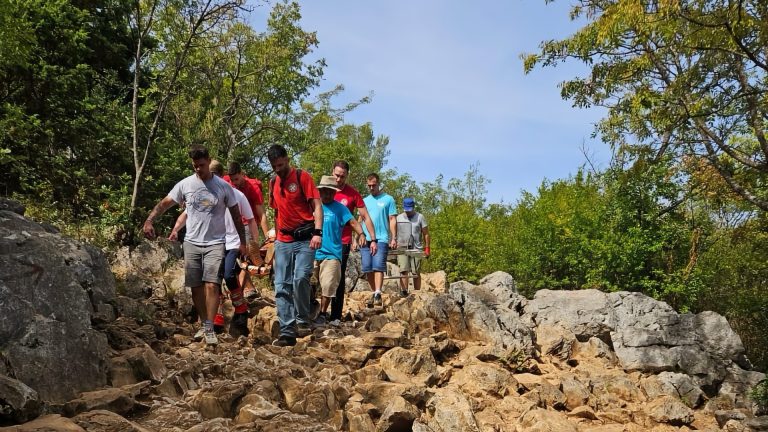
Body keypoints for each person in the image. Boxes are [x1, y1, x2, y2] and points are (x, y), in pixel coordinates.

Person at [143, 146, 246, 346]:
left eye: (201, 165)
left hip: (216, 242)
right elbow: (165, 204)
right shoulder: (185, 185)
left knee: (212, 284)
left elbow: (235, 214)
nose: (198, 169)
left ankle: (209, 327)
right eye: (195, 166)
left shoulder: (223, 187)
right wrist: (149, 221)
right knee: (196, 286)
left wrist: (242, 242)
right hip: (191, 241)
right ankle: (206, 324)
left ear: (208, 161)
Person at [169, 160, 260, 336]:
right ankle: (216, 318)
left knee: (227, 274)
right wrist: (175, 230)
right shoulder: (203, 196)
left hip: (232, 243)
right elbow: (186, 214)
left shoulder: (236, 195)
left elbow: (250, 219)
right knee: (212, 280)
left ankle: (240, 307)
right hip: (213, 243)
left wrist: (251, 244)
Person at [268, 144, 323, 347]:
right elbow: (275, 210)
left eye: (281, 165)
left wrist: (318, 232)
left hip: (305, 238)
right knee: (281, 284)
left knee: (300, 278)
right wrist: (275, 237)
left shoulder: (302, 177)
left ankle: (302, 318)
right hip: (283, 239)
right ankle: (287, 331)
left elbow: (317, 206)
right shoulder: (273, 181)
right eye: (274, 166)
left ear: (287, 159)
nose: (278, 169)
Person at [313, 175, 366, 325]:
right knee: (306, 283)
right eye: (325, 191)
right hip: (313, 252)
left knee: (329, 285)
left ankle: (323, 313)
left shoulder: (340, 208)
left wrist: (361, 234)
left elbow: (353, 222)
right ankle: (308, 311)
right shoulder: (314, 206)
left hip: (332, 253)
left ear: (334, 193)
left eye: (330, 192)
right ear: (320, 191)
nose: (327, 194)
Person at [330, 160, 377, 324]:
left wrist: (373, 238)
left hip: (342, 240)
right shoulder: (324, 190)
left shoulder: (352, 193)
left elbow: (365, 216)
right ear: (332, 172)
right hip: (323, 239)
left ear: (347, 176)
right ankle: (315, 311)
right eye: (336, 175)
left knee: (338, 277)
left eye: (342, 176)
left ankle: (335, 316)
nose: (339, 179)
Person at [223, 162, 271, 300]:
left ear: (242, 174)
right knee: (233, 261)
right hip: (231, 226)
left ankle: (241, 294)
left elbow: (261, 214)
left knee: (245, 259)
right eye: (232, 180)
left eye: (237, 179)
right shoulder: (226, 181)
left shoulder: (253, 187)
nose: (234, 183)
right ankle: (244, 290)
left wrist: (267, 235)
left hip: (248, 225)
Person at [360, 173, 398, 307]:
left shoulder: (388, 199)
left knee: (378, 266)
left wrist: (393, 238)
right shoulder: (364, 200)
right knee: (367, 267)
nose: (371, 188)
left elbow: (392, 219)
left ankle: (378, 292)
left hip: (381, 237)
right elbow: (360, 219)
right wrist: (356, 237)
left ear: (378, 184)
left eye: (374, 185)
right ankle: (373, 291)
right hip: (365, 238)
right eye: (369, 185)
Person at [396, 197, 430, 295]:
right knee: (403, 270)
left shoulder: (420, 217)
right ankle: (404, 292)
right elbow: (394, 232)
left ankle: (417, 293)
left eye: (410, 210)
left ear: (413, 207)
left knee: (416, 272)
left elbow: (426, 234)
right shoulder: (399, 218)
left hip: (416, 248)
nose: (408, 212)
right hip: (402, 247)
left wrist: (427, 248)